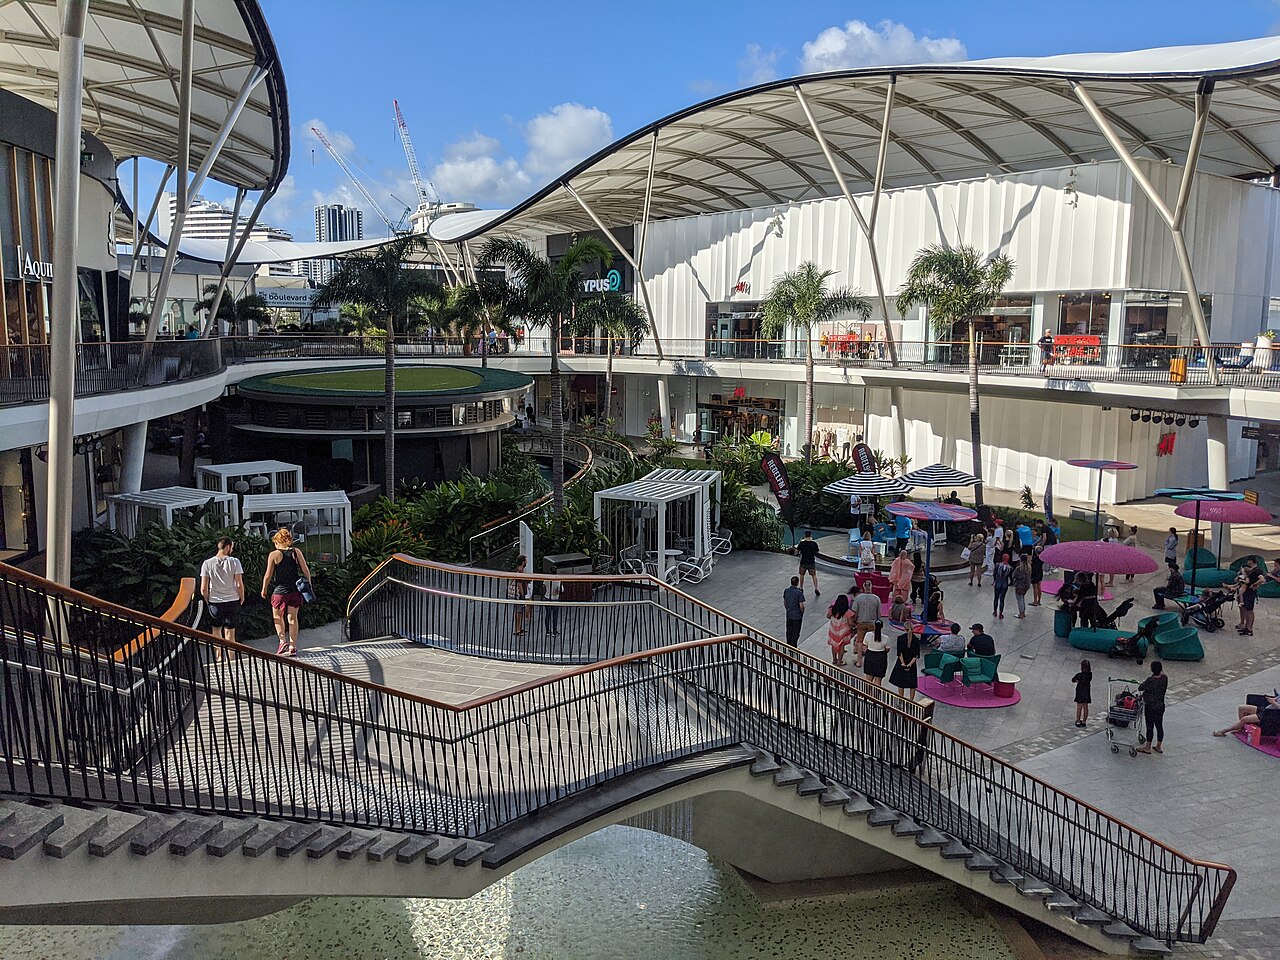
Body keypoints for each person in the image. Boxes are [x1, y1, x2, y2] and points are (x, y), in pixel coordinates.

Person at [260, 528, 311, 657]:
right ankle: (293, 646)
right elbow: (305, 570)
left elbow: (268, 575)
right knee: (293, 618)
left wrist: (264, 589)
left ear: (277, 542)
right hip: (294, 590)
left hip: (279, 592)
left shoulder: (274, 554)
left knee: (278, 617)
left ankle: (282, 641)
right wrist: (309, 584)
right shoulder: (296, 552)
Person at [200, 537, 244, 643]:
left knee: (216, 632)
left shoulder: (207, 563)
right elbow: (239, 584)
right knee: (230, 632)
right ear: (228, 547)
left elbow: (203, 588)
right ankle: (231, 658)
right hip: (232, 600)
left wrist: (208, 600)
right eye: (232, 548)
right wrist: (242, 597)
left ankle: (219, 658)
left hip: (215, 601)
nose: (232, 550)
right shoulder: (235, 562)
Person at [1137, 660, 1168, 755]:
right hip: (1160, 705)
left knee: (1149, 726)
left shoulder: (1150, 680)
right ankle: (1159, 746)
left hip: (1150, 706)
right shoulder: (1164, 678)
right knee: (1159, 725)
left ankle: (1148, 747)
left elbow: (1140, 687)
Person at [1213, 693, 1279, 737]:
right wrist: (1272, 699)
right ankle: (1241, 727)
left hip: (1271, 714)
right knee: (1242, 708)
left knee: (1244, 719)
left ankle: (1223, 731)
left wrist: (1273, 702)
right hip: (1266, 708)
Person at [851, 579, 882, 669]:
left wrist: (854, 621)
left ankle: (859, 662)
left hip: (861, 623)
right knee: (871, 643)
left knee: (860, 642)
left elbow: (855, 612)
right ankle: (871, 661)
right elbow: (879, 614)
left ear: (863, 587)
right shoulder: (876, 598)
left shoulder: (858, 598)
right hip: (872, 624)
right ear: (871, 586)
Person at [888, 628, 920, 699]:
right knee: (912, 684)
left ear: (905, 629)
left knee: (901, 683)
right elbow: (916, 655)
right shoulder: (916, 640)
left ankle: (901, 699)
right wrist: (910, 664)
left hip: (901, 662)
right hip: (912, 664)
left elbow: (899, 653)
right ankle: (911, 701)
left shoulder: (900, 638)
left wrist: (903, 663)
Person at [1236, 559, 1263, 636]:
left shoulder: (1257, 571)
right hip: (1247, 593)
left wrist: (1254, 584)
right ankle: (1247, 627)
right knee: (1247, 610)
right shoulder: (1252, 571)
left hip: (1250, 593)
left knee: (1249, 611)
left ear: (1252, 561)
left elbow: (1262, 579)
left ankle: (1249, 629)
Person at [825, 593, 853, 666]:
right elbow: (850, 622)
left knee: (833, 645)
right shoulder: (847, 611)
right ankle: (839, 661)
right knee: (841, 646)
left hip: (833, 631)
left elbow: (828, 616)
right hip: (843, 632)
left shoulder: (832, 609)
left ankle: (834, 659)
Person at [509, 555, 533, 636]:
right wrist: (522, 595)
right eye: (526, 561)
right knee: (518, 611)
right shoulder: (520, 571)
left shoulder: (519, 570)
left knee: (519, 611)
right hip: (519, 595)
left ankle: (519, 628)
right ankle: (517, 630)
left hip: (520, 594)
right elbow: (519, 584)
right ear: (523, 562)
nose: (526, 562)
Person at [795, 530, 821, 596]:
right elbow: (817, 552)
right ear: (810, 535)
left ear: (805, 535)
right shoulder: (814, 544)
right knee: (814, 575)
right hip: (811, 562)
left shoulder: (801, 543)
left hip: (803, 562)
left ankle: (801, 588)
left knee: (801, 575)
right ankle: (816, 588)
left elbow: (796, 552)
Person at [783, 576, 806, 647]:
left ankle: (789, 643)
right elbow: (801, 605)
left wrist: (787, 609)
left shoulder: (786, 590)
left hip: (789, 614)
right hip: (797, 616)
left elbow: (785, 602)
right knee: (796, 631)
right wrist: (802, 611)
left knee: (789, 630)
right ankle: (793, 645)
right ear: (797, 583)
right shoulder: (799, 593)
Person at [1071, 659, 1092, 727]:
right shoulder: (1090, 675)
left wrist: (1077, 681)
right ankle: (1084, 721)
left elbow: (1073, 680)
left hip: (1080, 692)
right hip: (1086, 692)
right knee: (1085, 707)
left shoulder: (1079, 675)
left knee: (1079, 707)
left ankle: (1078, 721)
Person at [992, 553, 1012, 619]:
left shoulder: (998, 565)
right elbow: (1010, 577)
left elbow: (994, 574)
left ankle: (995, 612)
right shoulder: (1010, 568)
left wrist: (994, 580)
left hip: (998, 583)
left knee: (996, 598)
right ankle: (1001, 613)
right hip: (1004, 584)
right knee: (1002, 599)